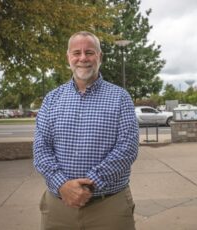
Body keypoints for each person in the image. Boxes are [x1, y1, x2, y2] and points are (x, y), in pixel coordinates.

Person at [33, 31, 139, 230]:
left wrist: (90, 184)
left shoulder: (120, 98)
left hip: (109, 207)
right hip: (59, 207)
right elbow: (41, 148)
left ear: (99, 57)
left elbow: (127, 149)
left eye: (89, 52)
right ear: (68, 58)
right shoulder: (51, 99)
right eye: (77, 53)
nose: (83, 58)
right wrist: (63, 185)